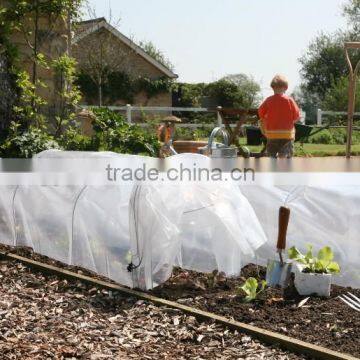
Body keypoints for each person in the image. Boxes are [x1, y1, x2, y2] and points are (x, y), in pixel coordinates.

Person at [258, 75, 300, 158]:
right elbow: (296, 116)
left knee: (272, 154)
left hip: (272, 134)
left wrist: (266, 118)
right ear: (286, 88)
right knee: (287, 155)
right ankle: (284, 159)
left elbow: (260, 112)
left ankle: (274, 167)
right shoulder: (289, 100)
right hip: (287, 134)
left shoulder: (268, 100)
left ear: (272, 88)